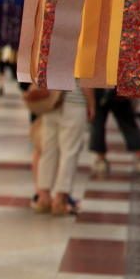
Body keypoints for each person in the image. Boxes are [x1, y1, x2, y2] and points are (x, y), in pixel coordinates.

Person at [29, 85, 92, 215]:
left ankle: (43, 197)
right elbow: (86, 79)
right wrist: (92, 103)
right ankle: (60, 200)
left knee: (48, 151)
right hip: (74, 101)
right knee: (69, 152)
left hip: (51, 99)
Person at [89, 89, 140, 176]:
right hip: (116, 89)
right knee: (128, 124)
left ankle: (101, 161)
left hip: (103, 89)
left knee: (98, 125)